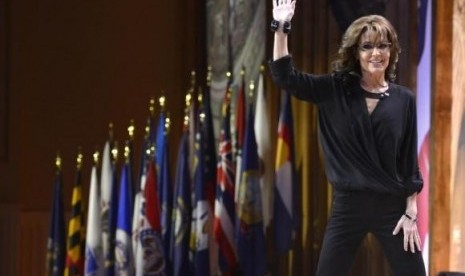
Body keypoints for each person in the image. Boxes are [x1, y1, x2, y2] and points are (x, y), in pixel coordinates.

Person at [269, 1, 426, 275]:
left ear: (391, 51)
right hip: (348, 205)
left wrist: (411, 212)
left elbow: (408, 163)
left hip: (392, 206)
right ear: (356, 52)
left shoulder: (404, 99)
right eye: (367, 47)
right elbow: (286, 77)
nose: (376, 53)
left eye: (383, 46)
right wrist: (281, 28)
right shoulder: (334, 89)